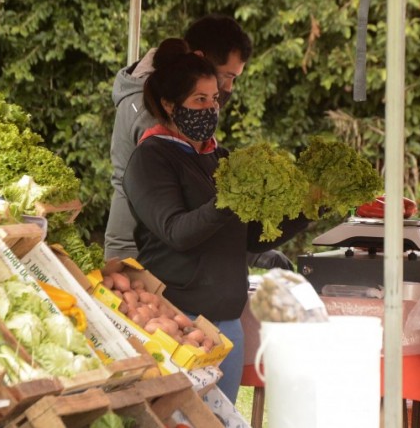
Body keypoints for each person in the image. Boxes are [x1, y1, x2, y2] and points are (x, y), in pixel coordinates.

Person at [123, 39, 310, 403]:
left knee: (223, 419)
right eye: (199, 100)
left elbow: (252, 238)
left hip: (227, 325)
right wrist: (227, 200)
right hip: (179, 323)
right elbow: (176, 232)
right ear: (168, 104)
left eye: (214, 100)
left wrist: (308, 208)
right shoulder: (151, 158)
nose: (210, 109)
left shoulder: (217, 157)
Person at [106, 14, 294, 271]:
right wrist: (252, 252)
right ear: (199, 58)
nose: (229, 88)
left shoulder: (181, 108)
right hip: (140, 257)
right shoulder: (153, 113)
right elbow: (186, 215)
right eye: (227, 76)